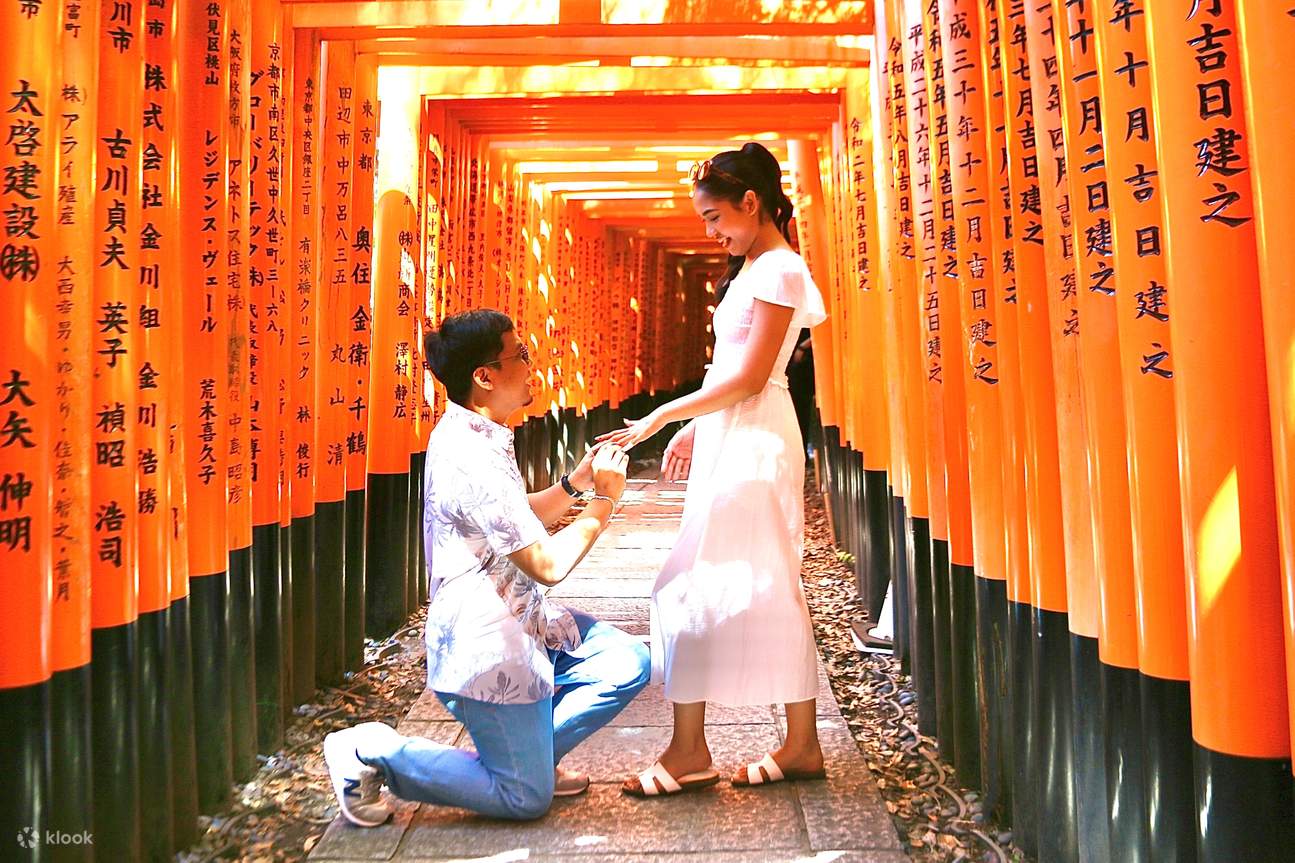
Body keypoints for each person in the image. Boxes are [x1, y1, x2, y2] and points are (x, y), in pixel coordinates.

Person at [323, 309, 650, 826]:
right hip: (488, 646)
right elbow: (546, 563)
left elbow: (514, 520)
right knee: (524, 799)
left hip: (524, 622)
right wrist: (605, 502)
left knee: (625, 663)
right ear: (485, 376)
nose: (530, 365)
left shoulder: (477, 430)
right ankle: (372, 752)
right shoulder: (471, 455)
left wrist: (576, 484)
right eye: (519, 354)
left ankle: (531, 760)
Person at [598, 142, 829, 796]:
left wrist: (663, 414)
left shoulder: (779, 269)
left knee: (733, 583)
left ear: (750, 202)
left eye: (713, 216)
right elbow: (735, 374)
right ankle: (769, 743)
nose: (710, 231)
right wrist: (699, 423)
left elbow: (753, 376)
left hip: (755, 439)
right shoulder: (758, 264)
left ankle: (698, 749)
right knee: (736, 583)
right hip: (737, 430)